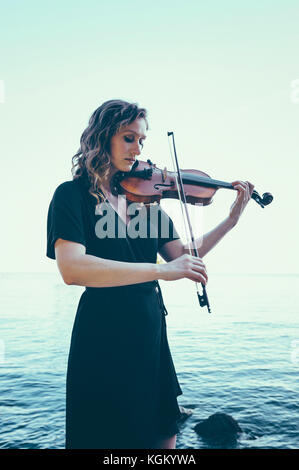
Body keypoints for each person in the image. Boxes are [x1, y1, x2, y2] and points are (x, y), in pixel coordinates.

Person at [46, 99, 254, 449]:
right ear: (102, 138)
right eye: (128, 138)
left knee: (161, 437)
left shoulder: (149, 205)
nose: (137, 149)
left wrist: (231, 221)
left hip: (150, 334)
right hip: (102, 337)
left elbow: (187, 256)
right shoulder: (71, 196)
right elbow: (72, 268)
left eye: (142, 140)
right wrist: (162, 270)